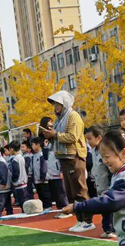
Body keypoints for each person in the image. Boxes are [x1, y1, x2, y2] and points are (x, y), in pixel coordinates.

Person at [44, 91, 93, 231]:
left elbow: (73, 137)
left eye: (57, 104)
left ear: (64, 103)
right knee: (71, 192)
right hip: (65, 158)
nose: (55, 107)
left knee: (80, 190)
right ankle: (80, 219)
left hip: (75, 157)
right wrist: (51, 135)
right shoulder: (60, 119)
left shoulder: (73, 116)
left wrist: (56, 134)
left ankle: (88, 221)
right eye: (54, 104)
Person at [84, 126, 116, 238]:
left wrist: (111, 184)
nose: (88, 142)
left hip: (108, 185)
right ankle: (107, 228)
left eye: (89, 139)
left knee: (109, 208)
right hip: (99, 185)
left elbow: (109, 169)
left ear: (99, 137)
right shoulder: (93, 151)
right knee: (104, 207)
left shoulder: (106, 150)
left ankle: (110, 229)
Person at [40, 117, 70, 219]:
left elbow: (61, 155)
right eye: (48, 127)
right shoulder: (47, 142)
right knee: (56, 192)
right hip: (51, 172)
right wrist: (44, 147)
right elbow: (46, 157)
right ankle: (61, 208)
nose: (49, 129)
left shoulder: (57, 139)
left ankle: (66, 209)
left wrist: (61, 170)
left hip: (58, 171)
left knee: (61, 191)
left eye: (51, 127)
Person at [7, 141, 29, 211]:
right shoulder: (21, 157)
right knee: (24, 200)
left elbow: (16, 171)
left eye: (9, 149)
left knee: (22, 201)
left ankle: (25, 212)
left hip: (19, 182)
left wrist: (13, 179)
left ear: (12, 149)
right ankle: (25, 211)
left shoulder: (15, 159)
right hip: (23, 181)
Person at [31, 137, 52, 211]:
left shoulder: (42, 154)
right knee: (40, 194)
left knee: (45, 193)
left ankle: (48, 206)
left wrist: (43, 177)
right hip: (37, 179)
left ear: (38, 145)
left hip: (43, 179)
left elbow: (44, 167)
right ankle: (43, 207)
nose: (32, 147)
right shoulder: (34, 156)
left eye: (33, 144)